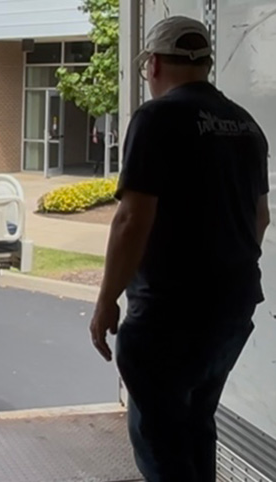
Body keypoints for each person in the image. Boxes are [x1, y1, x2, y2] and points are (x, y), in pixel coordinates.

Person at [89, 16, 270, 482]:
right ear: (207, 64)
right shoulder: (246, 126)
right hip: (232, 311)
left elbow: (133, 220)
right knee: (195, 426)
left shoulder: (156, 118)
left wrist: (106, 300)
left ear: (152, 64)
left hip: (170, 317)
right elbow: (261, 218)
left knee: (163, 446)